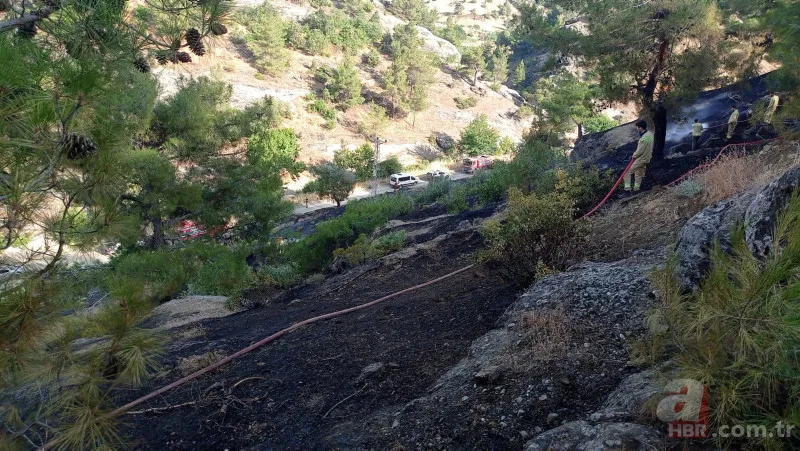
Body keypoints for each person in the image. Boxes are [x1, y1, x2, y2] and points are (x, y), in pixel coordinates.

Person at [624, 120, 653, 193]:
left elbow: (640, 151)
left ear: (640, 128)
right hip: (647, 158)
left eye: (637, 127)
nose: (637, 129)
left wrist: (634, 156)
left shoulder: (643, 138)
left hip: (641, 158)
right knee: (638, 174)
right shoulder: (650, 134)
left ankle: (627, 190)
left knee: (627, 173)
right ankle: (636, 189)